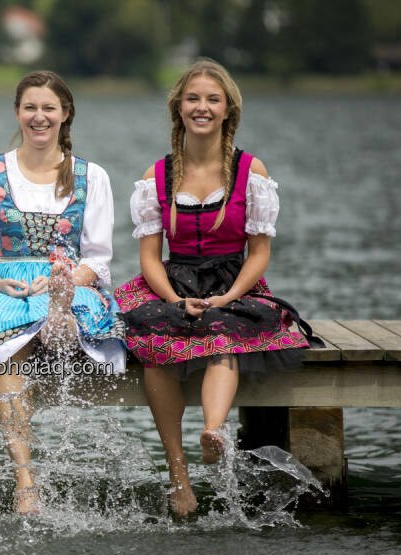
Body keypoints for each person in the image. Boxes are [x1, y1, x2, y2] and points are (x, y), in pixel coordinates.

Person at [114, 58, 315, 517]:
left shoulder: (251, 169)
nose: (201, 107)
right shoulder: (156, 176)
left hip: (233, 280)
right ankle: (178, 477)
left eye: (212, 99)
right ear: (178, 108)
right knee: (154, 344)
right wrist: (173, 299)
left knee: (223, 329)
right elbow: (148, 256)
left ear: (228, 110)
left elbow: (259, 252)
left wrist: (227, 297)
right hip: (173, 279)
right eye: (192, 99)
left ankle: (213, 431)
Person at [0, 71, 126, 514]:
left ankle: (60, 315)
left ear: (65, 114)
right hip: (4, 282)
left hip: (69, 280)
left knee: (61, 306)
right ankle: (25, 478)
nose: (39, 117)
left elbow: (98, 258)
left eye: (49, 108)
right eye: (30, 107)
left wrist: (62, 282)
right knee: (10, 344)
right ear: (16, 112)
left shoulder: (91, 176)